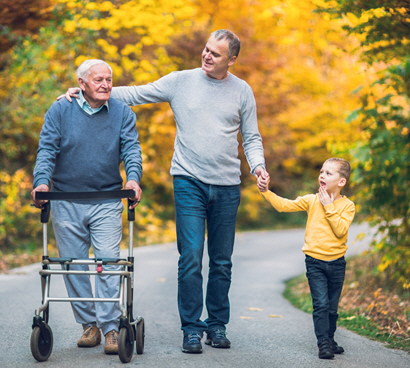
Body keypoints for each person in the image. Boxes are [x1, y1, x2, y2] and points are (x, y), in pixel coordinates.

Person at [61, 29, 269, 354]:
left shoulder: (242, 91)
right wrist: (87, 90)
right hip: (187, 180)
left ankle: (216, 325)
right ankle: (191, 329)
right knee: (189, 259)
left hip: (228, 185)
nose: (207, 55)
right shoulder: (180, 81)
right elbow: (135, 94)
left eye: (215, 53)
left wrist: (258, 166)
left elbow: (251, 137)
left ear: (231, 59)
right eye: (206, 49)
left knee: (222, 261)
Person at [31, 59, 142, 355]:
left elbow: (131, 149)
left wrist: (132, 179)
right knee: (74, 265)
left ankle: (110, 330)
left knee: (107, 262)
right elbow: (47, 149)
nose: (106, 84)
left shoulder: (122, 113)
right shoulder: (60, 109)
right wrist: (42, 182)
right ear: (82, 84)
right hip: (65, 199)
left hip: (106, 199)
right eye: (98, 80)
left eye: (109, 79)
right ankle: (88, 325)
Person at [257, 158, 355, 360]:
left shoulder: (348, 206)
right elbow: (284, 205)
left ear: (341, 181)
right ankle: (323, 344)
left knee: (332, 306)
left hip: (337, 263)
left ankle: (330, 338)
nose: (322, 176)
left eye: (328, 173)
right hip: (314, 262)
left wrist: (329, 206)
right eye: (321, 171)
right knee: (320, 304)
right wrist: (266, 191)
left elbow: (340, 230)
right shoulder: (312, 200)